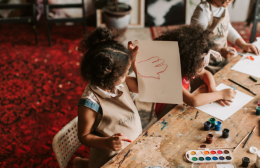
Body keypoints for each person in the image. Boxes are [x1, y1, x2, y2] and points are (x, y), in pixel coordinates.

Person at [73, 27, 141, 168]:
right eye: (124, 74)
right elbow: (84, 136)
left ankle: (82, 164)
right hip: (109, 156)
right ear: (111, 76)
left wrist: (132, 63)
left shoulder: (118, 81)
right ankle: (81, 164)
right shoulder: (89, 102)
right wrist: (107, 142)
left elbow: (142, 86)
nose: (126, 76)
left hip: (131, 148)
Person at [152, 25, 237, 121]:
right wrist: (220, 94)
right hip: (167, 112)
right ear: (188, 63)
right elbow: (193, 100)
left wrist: (213, 89)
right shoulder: (170, 76)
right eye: (201, 65)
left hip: (182, 103)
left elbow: (205, 73)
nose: (203, 68)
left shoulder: (184, 66)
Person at [191, 0, 260, 74]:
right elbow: (196, 40)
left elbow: (228, 28)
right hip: (207, 64)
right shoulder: (203, 10)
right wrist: (219, 50)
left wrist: (243, 44)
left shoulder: (222, 6)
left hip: (223, 59)